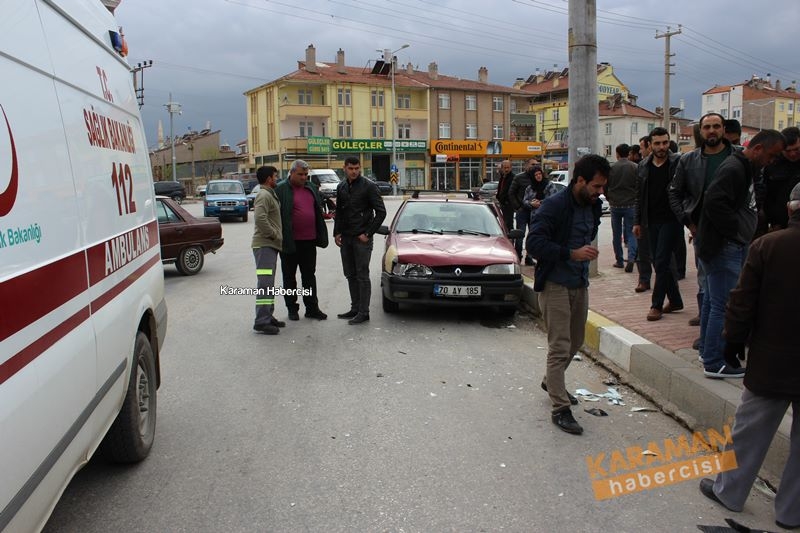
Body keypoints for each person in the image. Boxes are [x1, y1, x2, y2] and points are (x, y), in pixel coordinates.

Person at [698, 182, 800, 531]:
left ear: (791, 209)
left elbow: (742, 301)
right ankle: (791, 512)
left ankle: (730, 491)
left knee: (750, 430)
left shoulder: (768, 246)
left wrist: (732, 341)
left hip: (774, 359)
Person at [526, 154, 610, 435]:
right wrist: (570, 254)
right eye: (596, 187)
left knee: (576, 341)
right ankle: (560, 407)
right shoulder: (554, 206)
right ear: (580, 180)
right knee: (560, 345)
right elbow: (534, 243)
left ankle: (551, 381)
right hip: (555, 283)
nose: (600, 193)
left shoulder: (593, 205)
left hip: (579, 283)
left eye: (603, 188)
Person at [695, 129, 785, 379]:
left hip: (723, 245)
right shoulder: (735, 168)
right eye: (771, 155)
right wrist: (735, 233)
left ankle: (707, 352)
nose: (772, 161)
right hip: (724, 247)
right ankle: (715, 362)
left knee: (714, 303)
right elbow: (714, 202)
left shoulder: (743, 167)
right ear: (758, 149)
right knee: (722, 306)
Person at [669, 113, 735, 331]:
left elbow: (756, 189)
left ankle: (730, 330)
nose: (712, 131)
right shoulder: (688, 160)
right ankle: (708, 330)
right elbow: (675, 193)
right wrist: (688, 221)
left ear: (724, 129)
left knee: (735, 281)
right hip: (703, 231)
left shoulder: (738, 156)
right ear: (701, 131)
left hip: (735, 230)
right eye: (707, 127)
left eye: (716, 126)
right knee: (705, 281)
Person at [632, 128, 683, 322]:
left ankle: (656, 305)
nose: (662, 147)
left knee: (661, 261)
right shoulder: (643, 165)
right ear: (650, 145)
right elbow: (639, 196)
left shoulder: (678, 162)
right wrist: (637, 222)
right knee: (658, 260)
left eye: (665, 142)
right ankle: (676, 300)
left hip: (672, 219)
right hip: (649, 221)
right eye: (658, 143)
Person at [333, 156, 387, 325]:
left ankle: (364, 312)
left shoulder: (369, 186)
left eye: (357, 168)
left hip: (362, 239)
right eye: (351, 168)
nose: (354, 171)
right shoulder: (341, 186)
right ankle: (355, 308)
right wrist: (337, 233)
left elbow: (381, 212)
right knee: (350, 274)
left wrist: (368, 233)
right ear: (344, 168)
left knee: (362, 275)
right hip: (346, 237)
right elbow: (339, 213)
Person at [275, 159, 329, 321]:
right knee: (289, 277)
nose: (304, 177)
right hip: (289, 241)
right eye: (300, 174)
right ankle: (292, 308)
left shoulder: (311, 188)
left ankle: (312, 308)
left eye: (306, 174)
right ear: (291, 173)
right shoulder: (281, 189)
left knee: (309, 276)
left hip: (309, 241)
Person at [251, 166, 284, 335]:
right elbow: (259, 218)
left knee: (269, 284)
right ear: (269, 179)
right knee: (265, 284)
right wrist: (273, 235)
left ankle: (267, 316)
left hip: (269, 245)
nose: (277, 179)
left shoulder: (269, 194)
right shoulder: (263, 195)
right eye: (275, 176)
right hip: (265, 245)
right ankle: (261, 321)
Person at [760, 126, 800, 231]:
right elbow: (767, 196)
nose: (793, 154)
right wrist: (774, 221)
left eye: (796, 149)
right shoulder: (772, 163)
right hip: (780, 223)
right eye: (788, 151)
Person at [606, 143, 638, 272]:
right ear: (629, 153)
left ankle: (619, 260)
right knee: (631, 233)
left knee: (616, 233)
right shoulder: (635, 167)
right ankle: (631, 258)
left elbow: (605, 186)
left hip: (615, 205)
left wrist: (609, 198)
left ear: (617, 154)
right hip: (631, 204)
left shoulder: (611, 168)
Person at [509, 158, 537, 264]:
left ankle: (529, 257)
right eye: (532, 164)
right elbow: (511, 193)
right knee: (520, 235)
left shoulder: (537, 178)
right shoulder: (519, 177)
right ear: (526, 166)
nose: (534, 166)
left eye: (536, 164)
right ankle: (518, 256)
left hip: (534, 211)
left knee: (532, 235)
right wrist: (518, 207)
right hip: (522, 211)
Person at [522, 165, 558, 231]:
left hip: (547, 217)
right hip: (535, 218)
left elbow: (554, 199)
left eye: (539, 174)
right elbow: (524, 201)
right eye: (536, 175)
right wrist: (531, 203)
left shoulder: (549, 185)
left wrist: (540, 202)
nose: (538, 176)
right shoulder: (530, 188)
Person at [495, 159, 516, 232]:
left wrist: (506, 200)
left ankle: (510, 240)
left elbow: (511, 191)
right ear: (502, 168)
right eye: (505, 167)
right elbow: (501, 188)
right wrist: (498, 197)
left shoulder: (513, 178)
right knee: (503, 222)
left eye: (508, 167)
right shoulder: (503, 177)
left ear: (511, 167)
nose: (506, 169)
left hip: (508, 204)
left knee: (508, 223)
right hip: (502, 203)